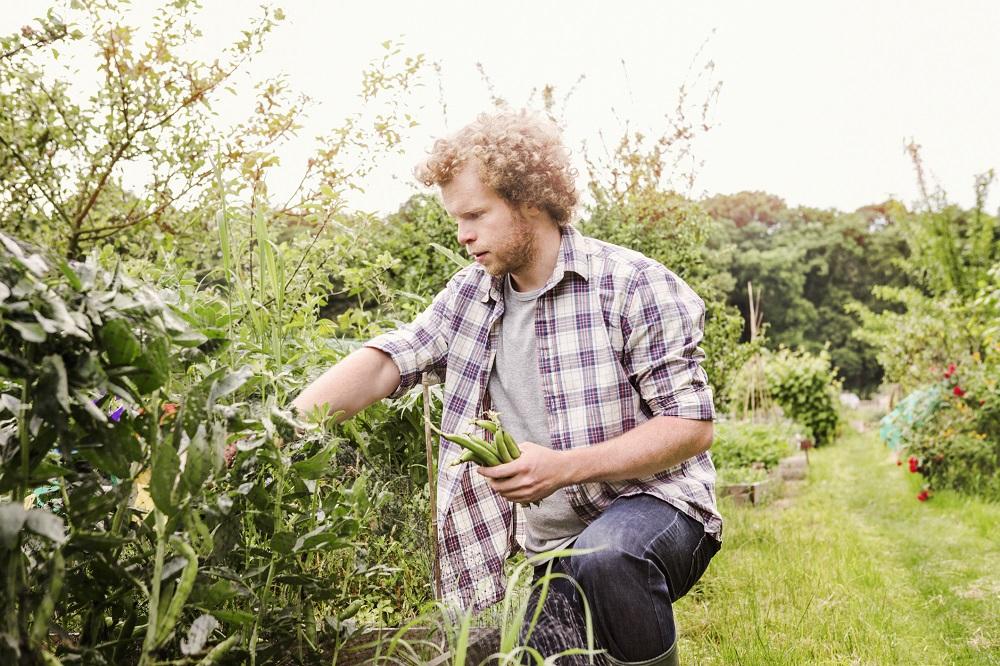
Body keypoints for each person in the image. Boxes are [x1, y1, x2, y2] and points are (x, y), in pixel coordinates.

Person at [291, 109, 721, 665]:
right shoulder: (471, 296)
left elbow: (691, 426)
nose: (464, 235)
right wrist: (278, 426)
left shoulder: (632, 285)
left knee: (606, 556)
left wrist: (565, 467)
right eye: (456, 220)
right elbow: (385, 363)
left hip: (659, 510)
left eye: (475, 215)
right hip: (551, 549)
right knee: (536, 655)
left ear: (530, 199)